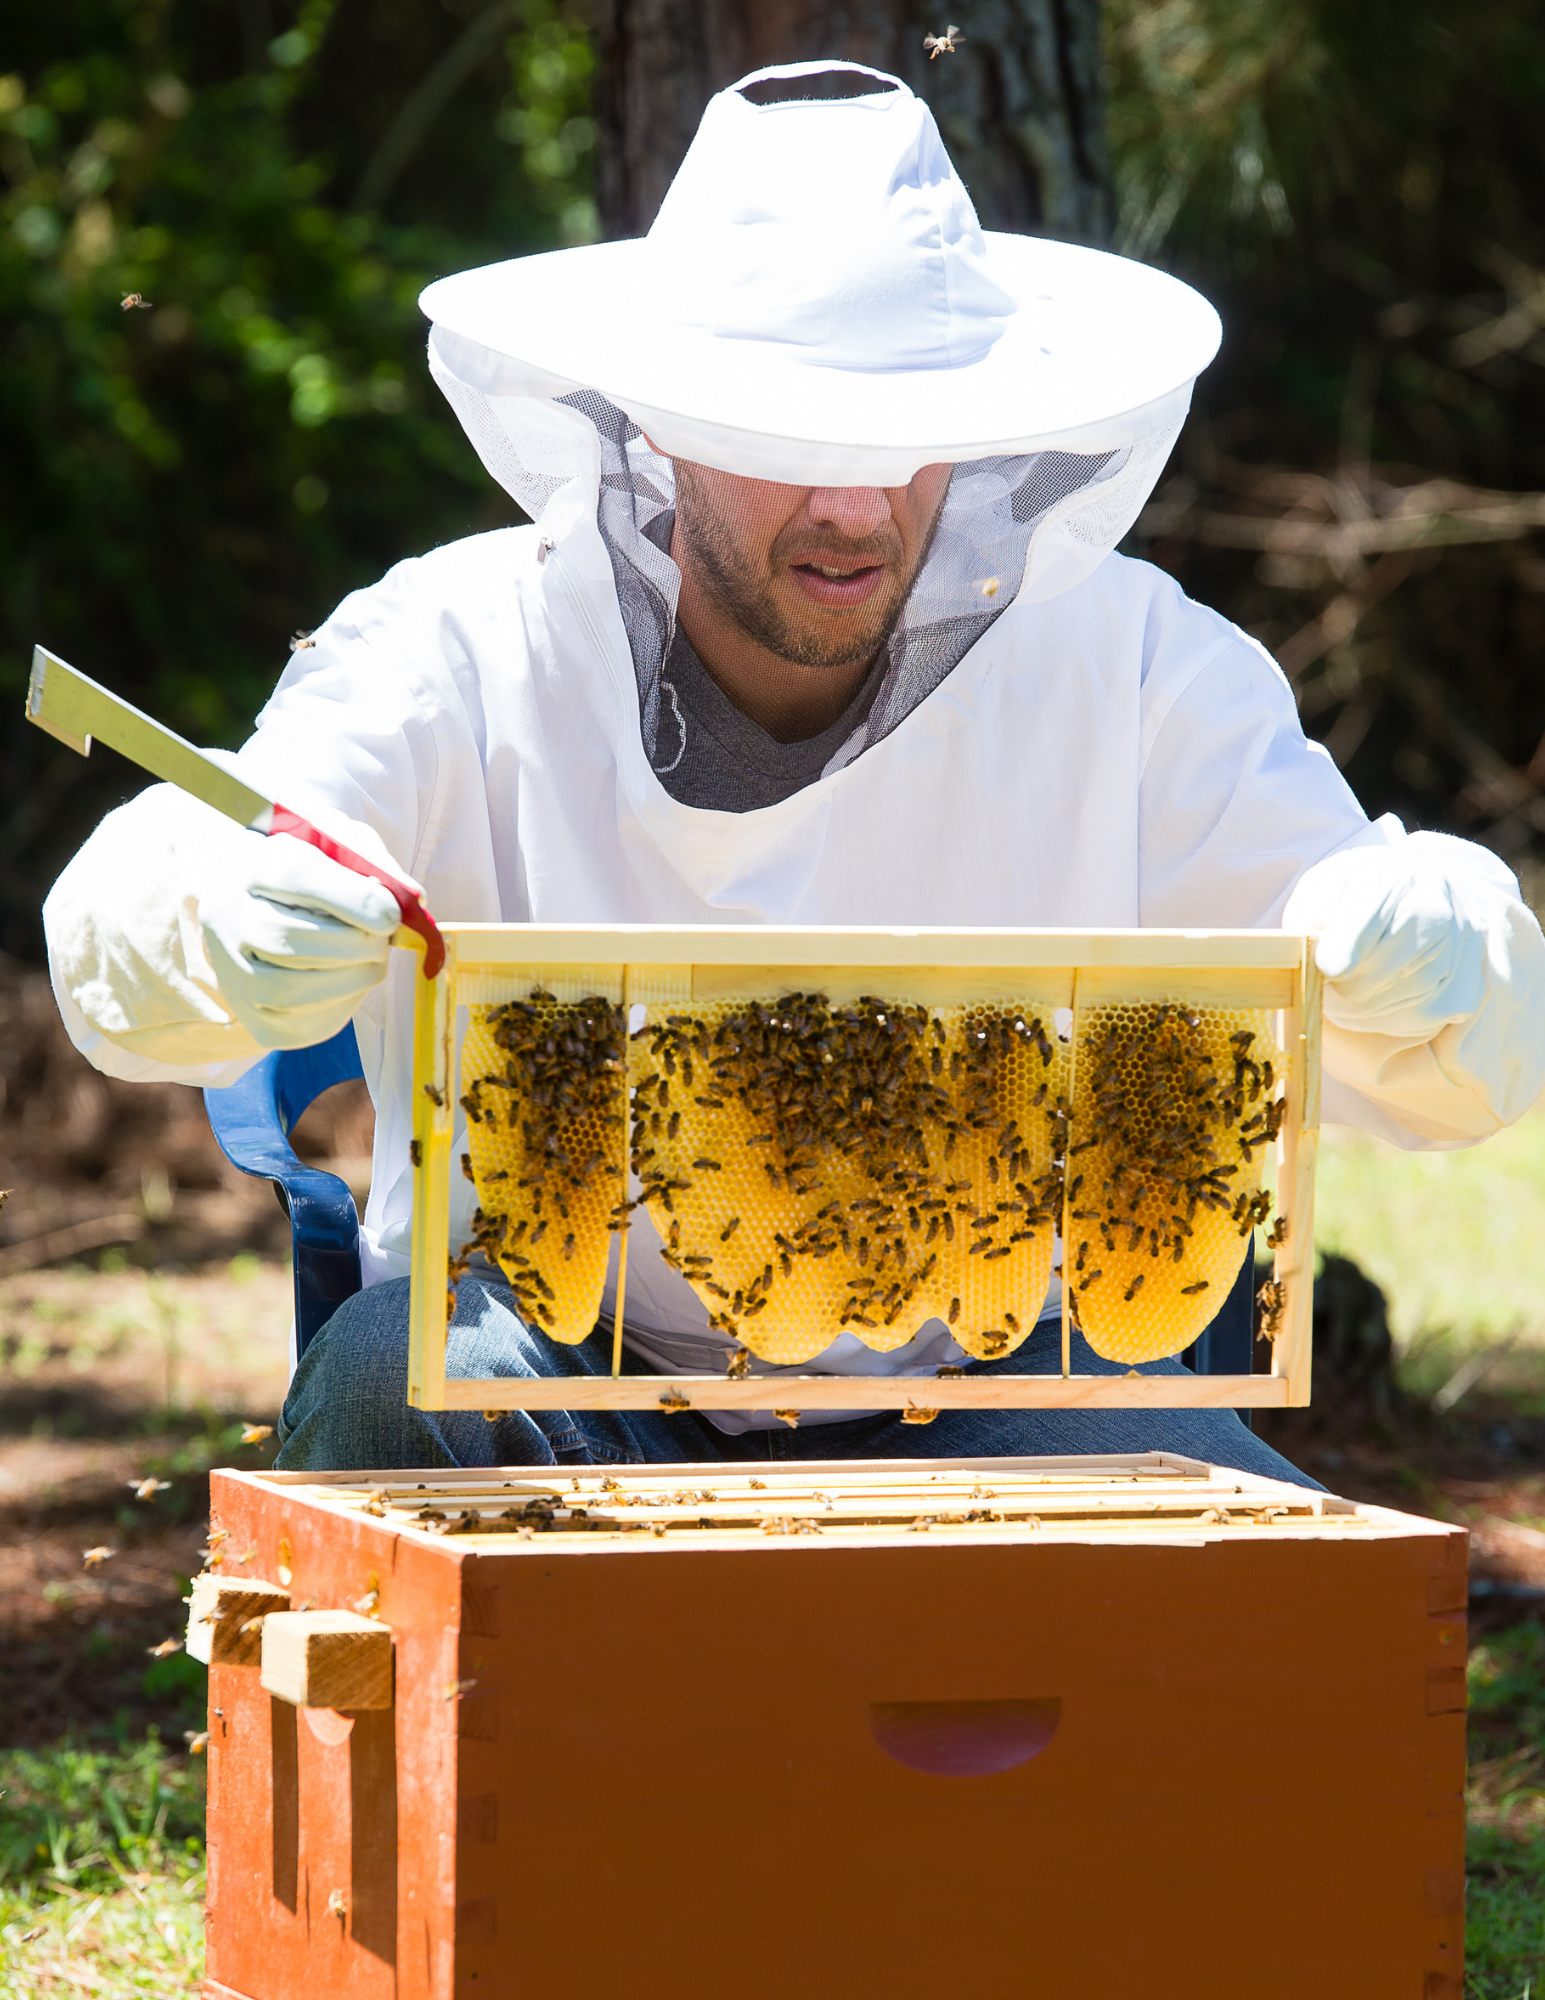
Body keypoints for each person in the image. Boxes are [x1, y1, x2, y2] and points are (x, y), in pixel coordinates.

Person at [43, 62, 1545, 1483]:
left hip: (986, 1391)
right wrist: (220, 912)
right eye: (786, 439)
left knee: (1237, 1579)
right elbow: (133, 931)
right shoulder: (453, 640)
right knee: (393, 1376)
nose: (854, 502)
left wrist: (1427, 941)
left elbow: (1459, 1076)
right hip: (560, 1376)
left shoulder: (1133, 661)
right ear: (657, 425)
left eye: (908, 440)